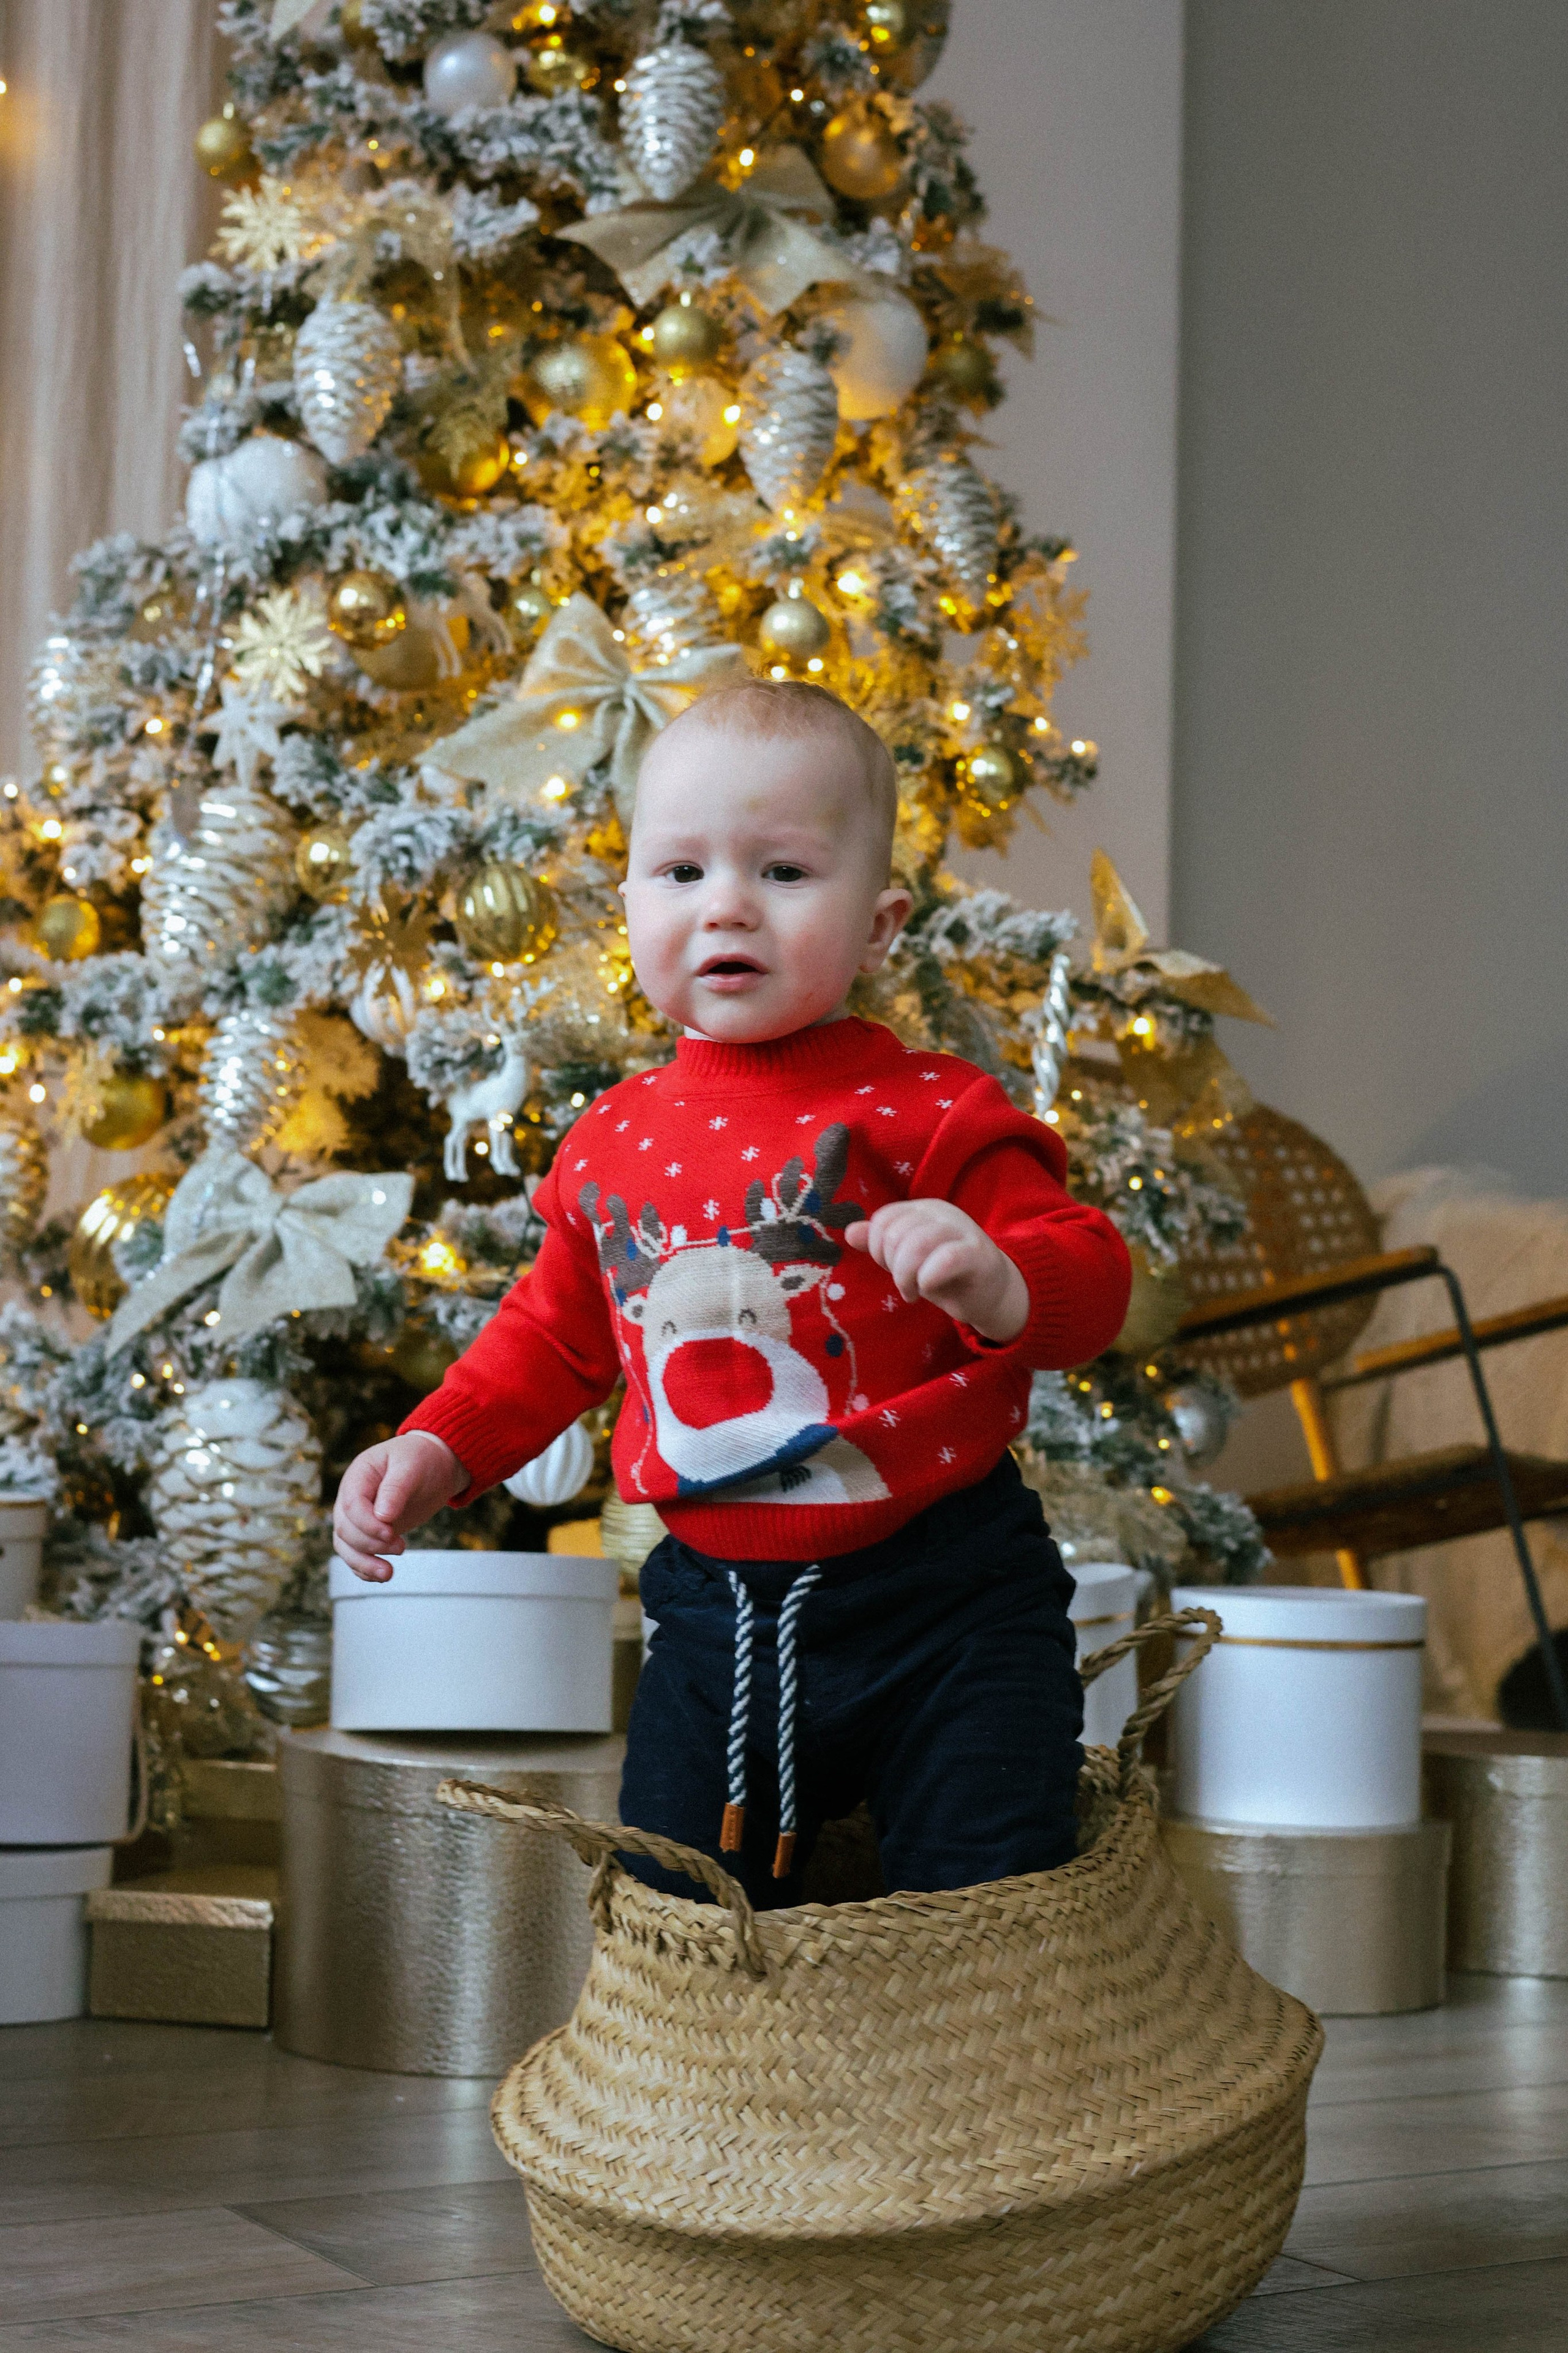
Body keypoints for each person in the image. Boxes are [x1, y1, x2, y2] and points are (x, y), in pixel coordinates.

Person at [333, 681, 1131, 1906]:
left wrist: (1000, 1275)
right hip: (712, 1614)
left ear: (877, 924)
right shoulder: (609, 1138)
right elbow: (551, 1335)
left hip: (946, 1598)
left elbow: (1091, 1281)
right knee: (678, 1895)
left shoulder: (933, 1112)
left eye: (783, 871)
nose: (725, 907)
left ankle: (964, 2080)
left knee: (985, 1880)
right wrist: (440, 1445)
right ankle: (708, 2089)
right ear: (629, 902)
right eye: (680, 871)